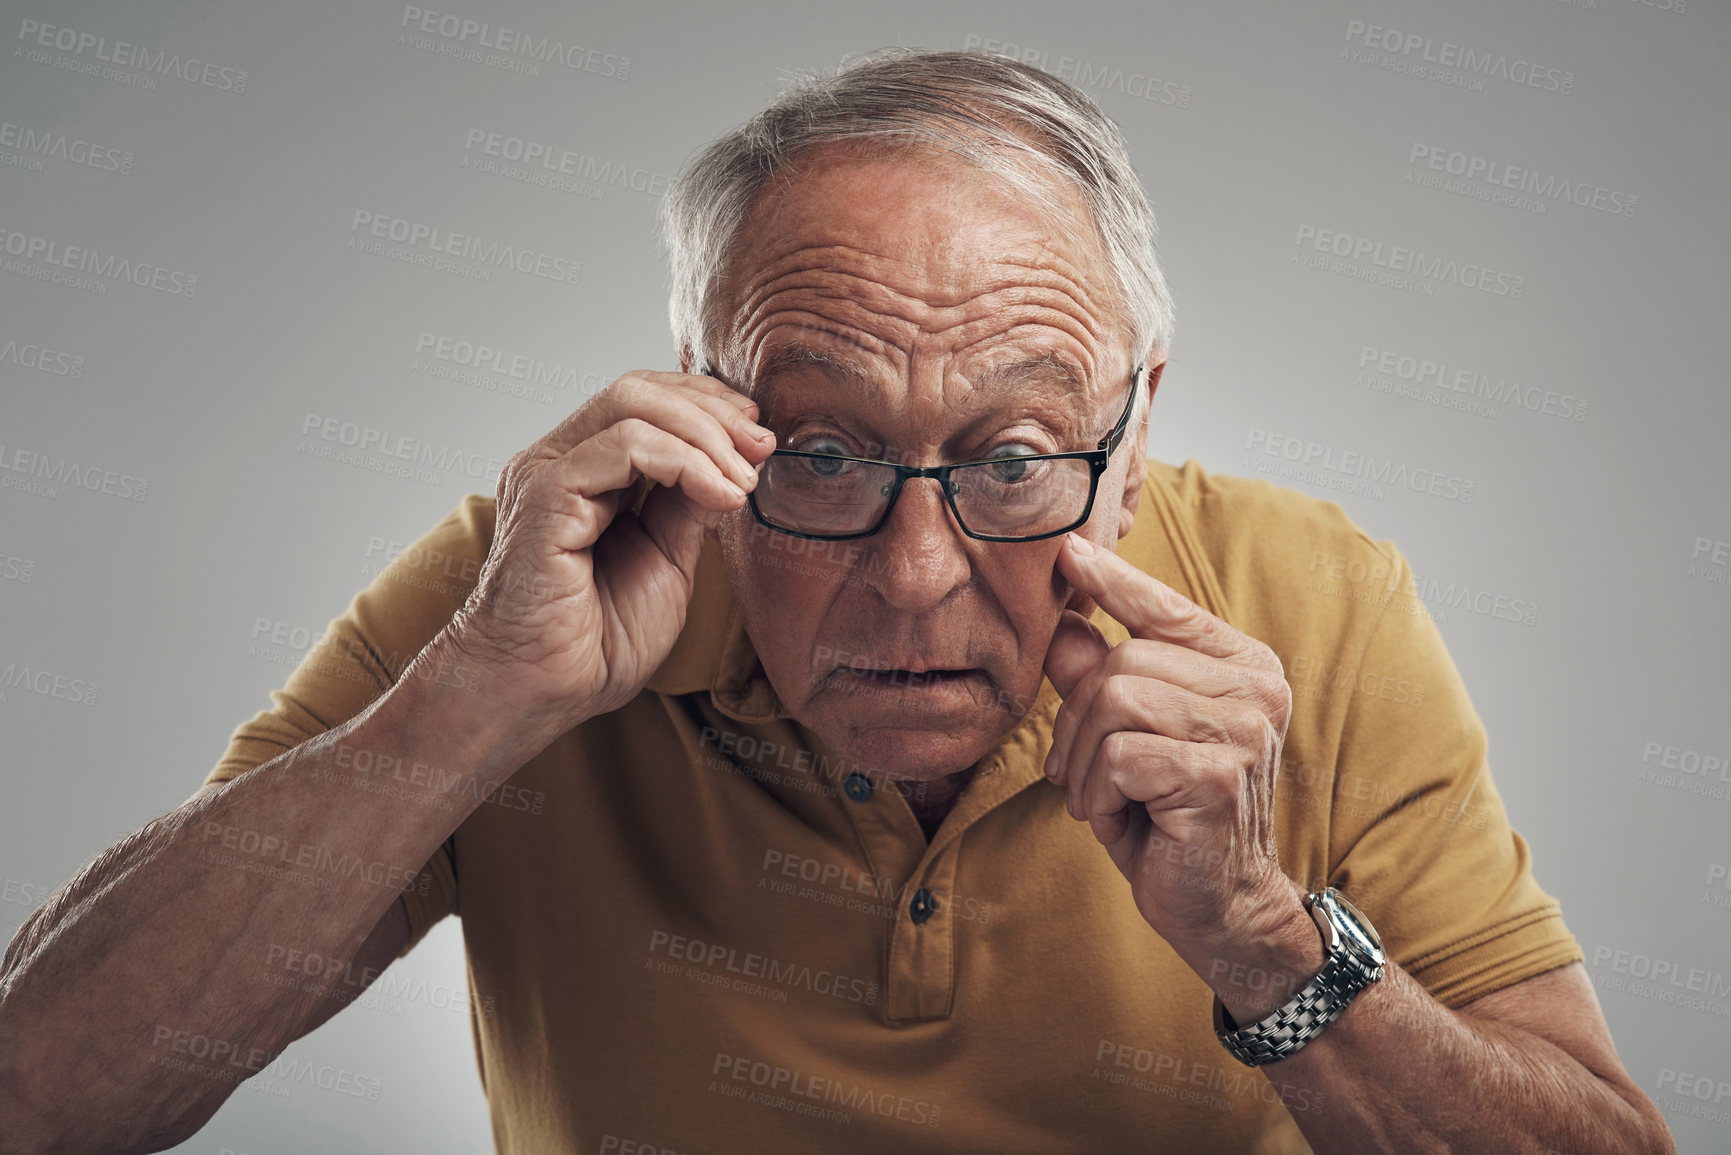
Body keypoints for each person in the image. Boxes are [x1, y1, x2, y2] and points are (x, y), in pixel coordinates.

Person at [0, 49, 1674, 1154]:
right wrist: (475, 701)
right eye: (818, 450)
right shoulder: (540, 582)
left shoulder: (1318, 601)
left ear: (1140, 420)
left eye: (1017, 456)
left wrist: (1257, 940)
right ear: (696, 401)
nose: (917, 574)